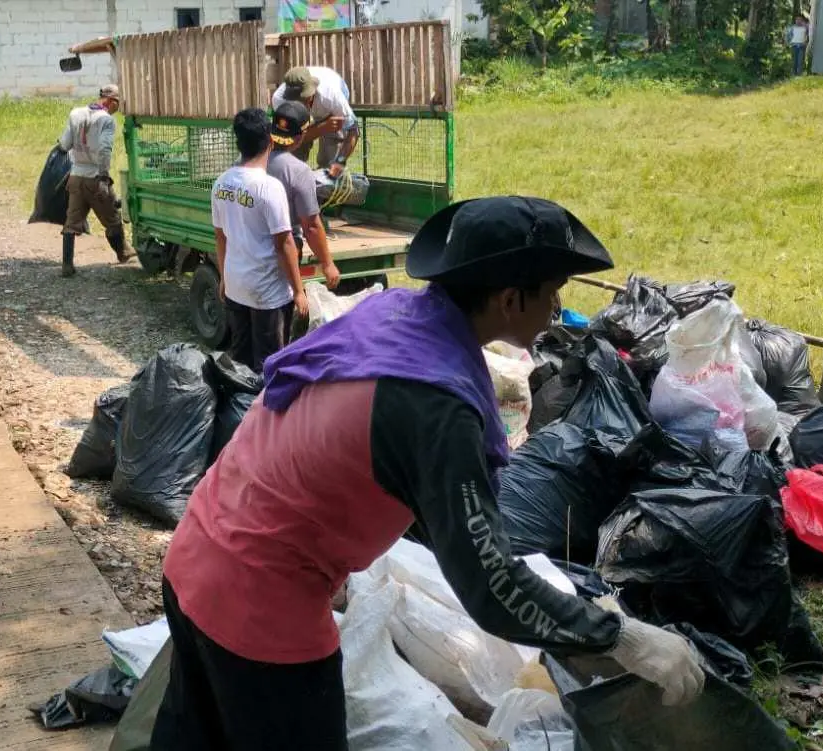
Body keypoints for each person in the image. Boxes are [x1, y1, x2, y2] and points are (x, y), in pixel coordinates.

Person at [150, 196, 706, 750]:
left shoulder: (391, 316)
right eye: (553, 291)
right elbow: (491, 589)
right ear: (510, 300)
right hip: (260, 604)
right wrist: (621, 637)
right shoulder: (437, 405)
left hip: (198, 554)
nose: (558, 306)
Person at [212, 108, 307, 373]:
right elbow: (285, 244)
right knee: (269, 366)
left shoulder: (221, 183)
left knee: (240, 363)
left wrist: (224, 277)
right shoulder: (269, 187)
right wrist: (299, 291)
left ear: (238, 142)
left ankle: (241, 412)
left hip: (236, 287)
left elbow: (220, 237)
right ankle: (263, 413)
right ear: (270, 140)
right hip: (268, 294)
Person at [57, 84, 133, 276]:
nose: (118, 109)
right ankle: (123, 253)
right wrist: (104, 178)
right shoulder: (106, 120)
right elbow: (105, 149)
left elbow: (64, 144)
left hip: (76, 177)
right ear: (109, 101)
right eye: (118, 104)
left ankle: (67, 265)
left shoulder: (76, 113)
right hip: (94, 178)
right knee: (113, 220)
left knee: (71, 222)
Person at [267, 101, 340, 289]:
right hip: (282, 252)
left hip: (248, 247)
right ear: (301, 137)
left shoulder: (247, 161)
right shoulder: (298, 171)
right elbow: (312, 227)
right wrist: (328, 264)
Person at [272, 66, 359, 178]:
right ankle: (297, 179)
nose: (301, 105)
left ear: (312, 92)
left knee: (329, 161)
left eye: (304, 100)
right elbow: (286, 140)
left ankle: (326, 187)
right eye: (296, 101)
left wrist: (339, 162)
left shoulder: (331, 96)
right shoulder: (279, 100)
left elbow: (354, 131)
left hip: (330, 106)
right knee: (292, 158)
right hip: (315, 116)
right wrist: (321, 128)